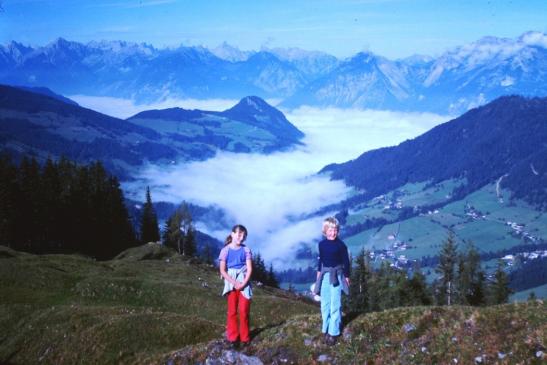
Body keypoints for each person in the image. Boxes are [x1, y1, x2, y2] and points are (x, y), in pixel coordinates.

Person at [313, 217, 350, 346]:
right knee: (325, 304)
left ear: (338, 231)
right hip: (324, 276)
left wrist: (347, 277)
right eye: (330, 230)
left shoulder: (341, 245)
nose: (333, 233)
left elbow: (346, 262)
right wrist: (318, 277)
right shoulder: (321, 245)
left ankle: (333, 332)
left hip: (337, 276)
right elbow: (320, 261)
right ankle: (326, 328)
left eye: (335, 230)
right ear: (325, 231)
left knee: (336, 304)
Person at [218, 224, 253, 347]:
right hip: (231, 283)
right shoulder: (225, 251)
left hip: (244, 283)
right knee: (232, 311)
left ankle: (245, 338)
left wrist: (243, 284)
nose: (241, 237)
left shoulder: (246, 250)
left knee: (243, 311)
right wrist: (235, 283)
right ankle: (233, 338)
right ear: (232, 234)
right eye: (239, 234)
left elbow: (249, 269)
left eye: (244, 235)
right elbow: (222, 270)